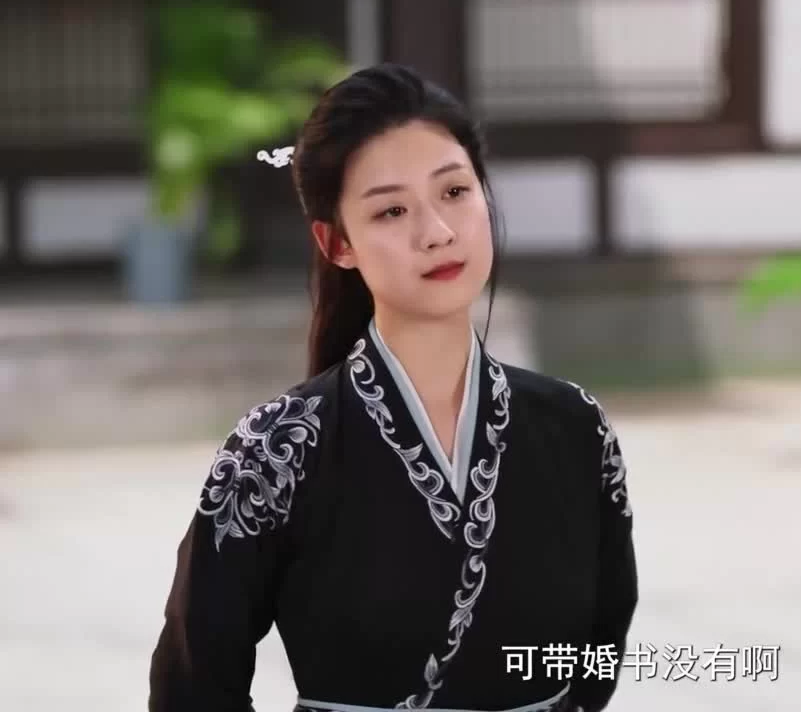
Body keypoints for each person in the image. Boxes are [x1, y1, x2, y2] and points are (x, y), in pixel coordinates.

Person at [148, 63, 638, 712]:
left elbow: (598, 653)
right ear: (336, 243)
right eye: (391, 210)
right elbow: (193, 682)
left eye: (455, 191)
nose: (437, 231)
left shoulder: (575, 427)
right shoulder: (277, 450)